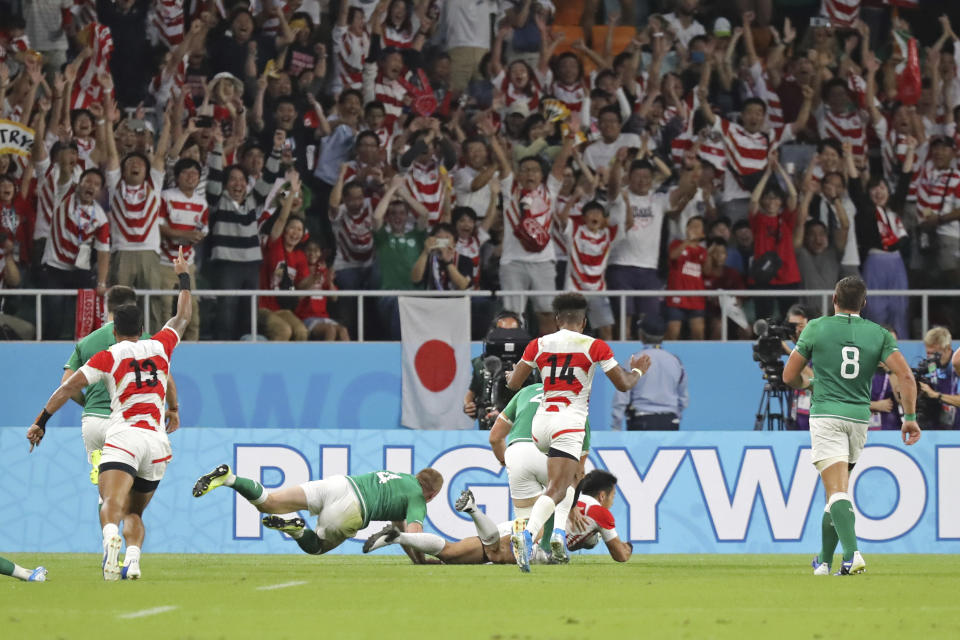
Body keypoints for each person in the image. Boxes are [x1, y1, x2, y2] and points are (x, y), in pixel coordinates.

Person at [28, 247, 193, 581]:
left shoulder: (108, 355)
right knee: (135, 510)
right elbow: (183, 316)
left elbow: (66, 388)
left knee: (110, 501)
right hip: (157, 443)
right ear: (143, 327)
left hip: (124, 437)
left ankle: (109, 541)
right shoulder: (161, 345)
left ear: (114, 330)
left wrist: (41, 421)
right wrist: (183, 276)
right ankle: (133, 560)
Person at [783, 276, 920, 576]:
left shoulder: (816, 327)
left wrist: (805, 383)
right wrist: (909, 418)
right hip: (859, 421)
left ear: (834, 298)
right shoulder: (879, 334)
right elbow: (907, 377)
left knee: (836, 491)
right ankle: (822, 560)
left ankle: (852, 553)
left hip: (827, 417)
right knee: (835, 492)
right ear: (864, 303)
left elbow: (788, 375)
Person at [506, 292, 651, 572]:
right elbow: (623, 383)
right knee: (560, 487)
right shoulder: (595, 346)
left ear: (557, 319)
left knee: (566, 484)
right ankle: (527, 535)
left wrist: (511, 374)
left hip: (541, 424)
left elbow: (513, 383)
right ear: (584, 322)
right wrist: (638, 371)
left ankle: (558, 534)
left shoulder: (538, 344)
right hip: (569, 422)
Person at [192, 464, 443, 561]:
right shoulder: (418, 498)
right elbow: (414, 535)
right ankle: (297, 529)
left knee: (270, 502)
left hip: (339, 484)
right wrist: (431, 558)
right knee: (316, 547)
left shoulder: (402, 478)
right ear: (431, 494)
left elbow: (398, 525)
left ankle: (230, 478)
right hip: (352, 509)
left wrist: (418, 562)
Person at [488, 381, 590, 561]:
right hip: (549, 451)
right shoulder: (575, 396)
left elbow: (495, 437)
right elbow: (579, 467)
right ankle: (555, 538)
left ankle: (523, 551)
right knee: (562, 486)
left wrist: (506, 461)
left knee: (526, 516)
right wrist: (572, 502)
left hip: (516, 452)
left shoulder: (526, 391)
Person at [611, 315, 688, 431]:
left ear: (641, 335)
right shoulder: (675, 361)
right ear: (663, 335)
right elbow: (683, 398)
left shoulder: (633, 361)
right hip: (670, 421)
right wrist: (676, 416)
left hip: (640, 421)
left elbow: (622, 397)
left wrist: (616, 426)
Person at [915, 327, 960, 429]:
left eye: (935, 354)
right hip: (937, 430)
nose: (931, 358)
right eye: (928, 353)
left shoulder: (958, 366)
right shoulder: (930, 367)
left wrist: (936, 395)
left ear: (947, 348)